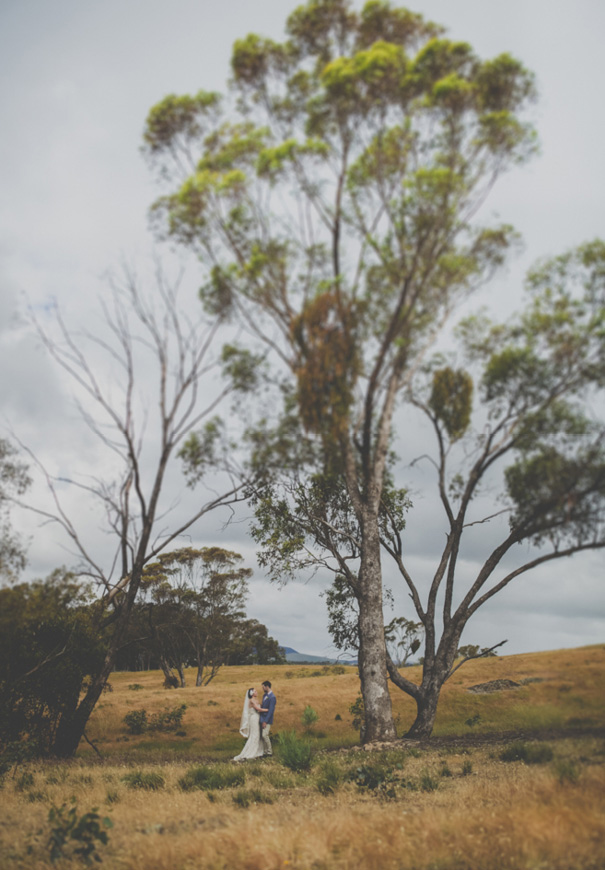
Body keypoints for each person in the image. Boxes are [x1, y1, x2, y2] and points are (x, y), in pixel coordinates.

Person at [233, 688, 267, 761]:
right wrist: (268, 710)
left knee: (258, 734)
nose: (256, 692)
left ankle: (258, 750)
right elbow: (258, 709)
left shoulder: (256, 700)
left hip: (258, 718)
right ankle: (251, 752)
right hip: (254, 718)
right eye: (255, 691)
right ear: (252, 693)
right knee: (254, 734)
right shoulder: (251, 700)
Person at [259, 680, 276, 757]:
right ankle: (265, 751)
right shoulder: (264, 695)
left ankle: (269, 751)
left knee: (265, 735)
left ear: (267, 687)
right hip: (262, 718)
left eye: (263, 687)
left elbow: (271, 710)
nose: (262, 689)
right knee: (262, 736)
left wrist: (265, 721)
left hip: (267, 719)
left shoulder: (272, 697)